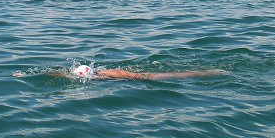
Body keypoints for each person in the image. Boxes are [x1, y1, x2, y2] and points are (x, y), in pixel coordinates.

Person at [13, 66, 226, 80]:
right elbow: (59, 73)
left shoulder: (103, 76)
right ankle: (209, 72)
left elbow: (59, 74)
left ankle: (209, 72)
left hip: (139, 78)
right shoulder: (100, 73)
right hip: (131, 77)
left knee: (177, 76)